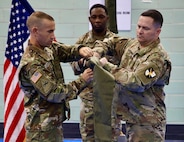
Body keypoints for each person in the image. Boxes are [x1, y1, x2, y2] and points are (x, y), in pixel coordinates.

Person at [94, 9, 172, 142]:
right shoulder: (132, 44)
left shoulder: (157, 58)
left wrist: (106, 65)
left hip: (147, 123)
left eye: (145, 28)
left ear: (157, 31)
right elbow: (111, 41)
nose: (140, 31)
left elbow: (136, 83)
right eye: (139, 26)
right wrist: (97, 51)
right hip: (129, 115)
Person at [18, 11, 94, 142]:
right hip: (40, 131)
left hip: (52, 124)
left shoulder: (47, 48)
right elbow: (54, 93)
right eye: (50, 31)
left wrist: (80, 50)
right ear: (35, 31)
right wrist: (82, 81)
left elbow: (64, 50)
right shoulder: (32, 63)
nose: (53, 36)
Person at [70, 4, 124, 141]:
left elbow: (123, 67)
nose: (97, 20)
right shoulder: (82, 42)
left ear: (107, 18)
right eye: (94, 17)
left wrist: (107, 62)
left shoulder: (116, 41)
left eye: (101, 17)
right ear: (90, 19)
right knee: (88, 137)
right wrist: (84, 62)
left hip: (110, 99)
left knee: (111, 136)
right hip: (89, 99)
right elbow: (75, 68)